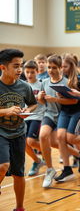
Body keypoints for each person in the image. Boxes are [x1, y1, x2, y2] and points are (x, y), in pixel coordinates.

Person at [38, 55, 80, 188]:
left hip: (62, 113)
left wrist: (56, 99)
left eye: (54, 67)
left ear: (60, 68)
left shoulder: (67, 82)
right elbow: (42, 102)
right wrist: (40, 98)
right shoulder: (44, 82)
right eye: (49, 67)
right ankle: (50, 169)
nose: (50, 70)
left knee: (61, 139)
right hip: (50, 114)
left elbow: (74, 101)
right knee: (44, 136)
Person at [0, 49, 37, 211]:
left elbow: (33, 103)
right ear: (3, 68)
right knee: (3, 166)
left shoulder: (24, 87)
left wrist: (26, 111)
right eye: (15, 66)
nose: (19, 70)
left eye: (20, 66)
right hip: (1, 133)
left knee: (19, 173)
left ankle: (20, 207)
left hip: (19, 133)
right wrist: (5, 111)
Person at [54, 55, 80, 182]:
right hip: (64, 110)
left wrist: (60, 97)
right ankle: (67, 169)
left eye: (65, 66)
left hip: (77, 110)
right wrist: (59, 95)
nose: (62, 69)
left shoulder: (79, 79)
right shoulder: (60, 79)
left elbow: (76, 100)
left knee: (70, 138)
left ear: (71, 66)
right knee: (60, 137)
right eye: (61, 66)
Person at [23, 60, 46, 176]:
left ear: (37, 72)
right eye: (27, 72)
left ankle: (46, 152)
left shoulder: (41, 84)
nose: (30, 74)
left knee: (30, 141)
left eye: (32, 72)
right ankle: (37, 161)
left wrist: (40, 98)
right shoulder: (22, 85)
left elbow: (43, 101)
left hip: (38, 116)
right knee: (23, 143)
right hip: (25, 117)